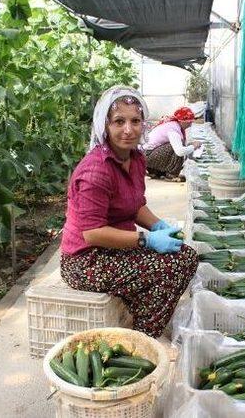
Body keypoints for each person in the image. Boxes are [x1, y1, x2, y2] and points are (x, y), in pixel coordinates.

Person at [60, 85, 199, 338]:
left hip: (115, 249)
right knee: (174, 266)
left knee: (185, 256)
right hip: (86, 260)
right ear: (105, 125)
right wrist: (147, 239)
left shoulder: (136, 159)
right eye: (119, 121)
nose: (128, 129)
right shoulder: (95, 171)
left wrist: (159, 226)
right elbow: (92, 233)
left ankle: (141, 314)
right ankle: (143, 335)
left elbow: (135, 206)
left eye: (135, 121)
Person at [142, 106, 202, 180]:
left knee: (178, 145)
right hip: (147, 156)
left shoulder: (173, 124)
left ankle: (156, 172)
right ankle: (172, 174)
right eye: (189, 122)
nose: (190, 124)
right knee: (176, 148)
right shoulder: (173, 130)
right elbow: (180, 152)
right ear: (182, 121)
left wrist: (190, 145)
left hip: (146, 154)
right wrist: (194, 147)